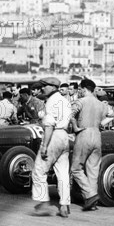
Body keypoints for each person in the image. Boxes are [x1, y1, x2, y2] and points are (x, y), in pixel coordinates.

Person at [71, 79, 114, 211]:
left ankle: (90, 195)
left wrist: (75, 127)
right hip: (97, 134)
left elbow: (70, 115)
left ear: (84, 89)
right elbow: (113, 114)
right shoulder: (101, 104)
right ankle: (92, 201)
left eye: (79, 89)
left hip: (84, 133)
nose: (79, 91)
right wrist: (102, 124)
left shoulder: (81, 101)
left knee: (76, 169)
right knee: (93, 170)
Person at [31, 78, 72, 218]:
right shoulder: (65, 101)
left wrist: (44, 146)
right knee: (63, 173)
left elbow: (49, 126)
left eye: (45, 86)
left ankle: (43, 204)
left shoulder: (51, 101)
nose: (42, 88)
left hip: (53, 135)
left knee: (38, 170)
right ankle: (64, 205)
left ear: (53, 87)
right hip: (64, 136)